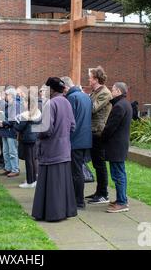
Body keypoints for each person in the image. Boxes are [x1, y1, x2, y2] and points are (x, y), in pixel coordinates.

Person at [32, 77, 77, 222]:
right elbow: (72, 127)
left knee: (51, 184)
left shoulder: (50, 104)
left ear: (51, 90)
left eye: (46, 89)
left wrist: (36, 130)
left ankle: (52, 214)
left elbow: (46, 130)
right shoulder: (67, 102)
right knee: (61, 184)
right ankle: (63, 212)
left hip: (51, 151)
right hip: (64, 150)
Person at [101, 82, 133, 213]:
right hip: (120, 145)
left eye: (113, 90)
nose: (111, 91)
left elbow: (110, 127)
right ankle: (121, 198)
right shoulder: (126, 104)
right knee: (120, 173)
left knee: (118, 174)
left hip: (116, 146)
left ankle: (122, 202)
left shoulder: (119, 106)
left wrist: (102, 137)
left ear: (119, 91)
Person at [62, 76, 92, 209]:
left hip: (75, 139)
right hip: (85, 138)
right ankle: (77, 199)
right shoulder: (86, 96)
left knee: (76, 172)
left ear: (66, 87)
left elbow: (69, 120)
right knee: (78, 170)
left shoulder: (71, 98)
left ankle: (78, 201)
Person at [87, 66, 112, 205]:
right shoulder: (94, 92)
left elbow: (92, 108)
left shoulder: (105, 93)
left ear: (96, 79)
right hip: (92, 132)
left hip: (98, 132)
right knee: (97, 164)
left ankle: (103, 194)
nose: (89, 80)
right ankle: (99, 192)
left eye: (90, 77)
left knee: (100, 164)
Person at [14, 91, 41, 188]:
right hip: (36, 139)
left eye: (24, 102)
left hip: (28, 140)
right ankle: (34, 180)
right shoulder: (38, 112)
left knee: (29, 161)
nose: (23, 103)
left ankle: (30, 182)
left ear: (29, 103)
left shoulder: (26, 115)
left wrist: (15, 122)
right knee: (34, 160)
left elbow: (18, 127)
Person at [0, 88, 20, 178]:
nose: (5, 96)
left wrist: (3, 123)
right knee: (5, 151)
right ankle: (8, 168)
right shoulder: (8, 105)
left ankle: (15, 169)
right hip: (5, 131)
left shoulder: (15, 104)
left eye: (6, 95)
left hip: (11, 131)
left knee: (12, 151)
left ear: (10, 95)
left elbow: (13, 119)